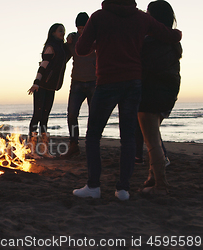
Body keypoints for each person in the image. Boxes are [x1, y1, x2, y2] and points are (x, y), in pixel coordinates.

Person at [72, 0, 182, 201]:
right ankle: (123, 190)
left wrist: (100, 42)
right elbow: (174, 35)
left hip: (107, 81)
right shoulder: (141, 17)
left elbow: (80, 49)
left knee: (93, 135)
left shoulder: (98, 17)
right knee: (128, 138)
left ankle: (94, 186)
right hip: (133, 83)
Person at [138, 0, 182, 195]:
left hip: (150, 95)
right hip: (168, 95)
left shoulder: (149, 42)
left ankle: (161, 185)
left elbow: (144, 67)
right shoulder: (172, 42)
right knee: (154, 136)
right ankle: (153, 176)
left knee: (152, 140)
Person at [27, 23, 71, 159]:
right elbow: (43, 66)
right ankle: (32, 150)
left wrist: (71, 40)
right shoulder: (51, 47)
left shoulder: (62, 49)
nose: (62, 33)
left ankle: (44, 149)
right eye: (60, 31)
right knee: (37, 116)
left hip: (52, 87)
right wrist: (36, 83)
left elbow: (66, 58)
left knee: (45, 118)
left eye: (63, 31)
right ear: (53, 33)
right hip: (42, 87)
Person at [60, 13, 97, 159]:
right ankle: (74, 145)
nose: (81, 30)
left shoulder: (96, 37)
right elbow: (62, 56)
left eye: (84, 27)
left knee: (94, 116)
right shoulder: (73, 40)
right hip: (77, 83)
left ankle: (91, 145)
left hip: (94, 82)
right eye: (79, 27)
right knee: (72, 114)